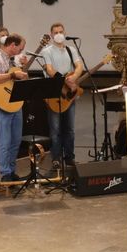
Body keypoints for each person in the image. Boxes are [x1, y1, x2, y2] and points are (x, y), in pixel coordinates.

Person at [0, 34, 28, 182]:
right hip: (1, 103)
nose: (20, 51)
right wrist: (11, 76)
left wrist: (22, 75)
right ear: (12, 45)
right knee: (5, 140)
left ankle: (12, 170)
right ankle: (5, 173)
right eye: (20, 48)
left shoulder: (15, 60)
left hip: (15, 102)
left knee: (16, 140)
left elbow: (17, 78)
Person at [43, 22, 84, 169]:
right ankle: (56, 157)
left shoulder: (71, 49)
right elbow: (49, 69)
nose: (59, 34)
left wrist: (74, 77)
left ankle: (69, 157)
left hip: (69, 92)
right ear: (52, 34)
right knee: (55, 129)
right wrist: (63, 79)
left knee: (70, 129)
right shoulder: (47, 51)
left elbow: (79, 66)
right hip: (54, 92)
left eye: (61, 31)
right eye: (56, 32)